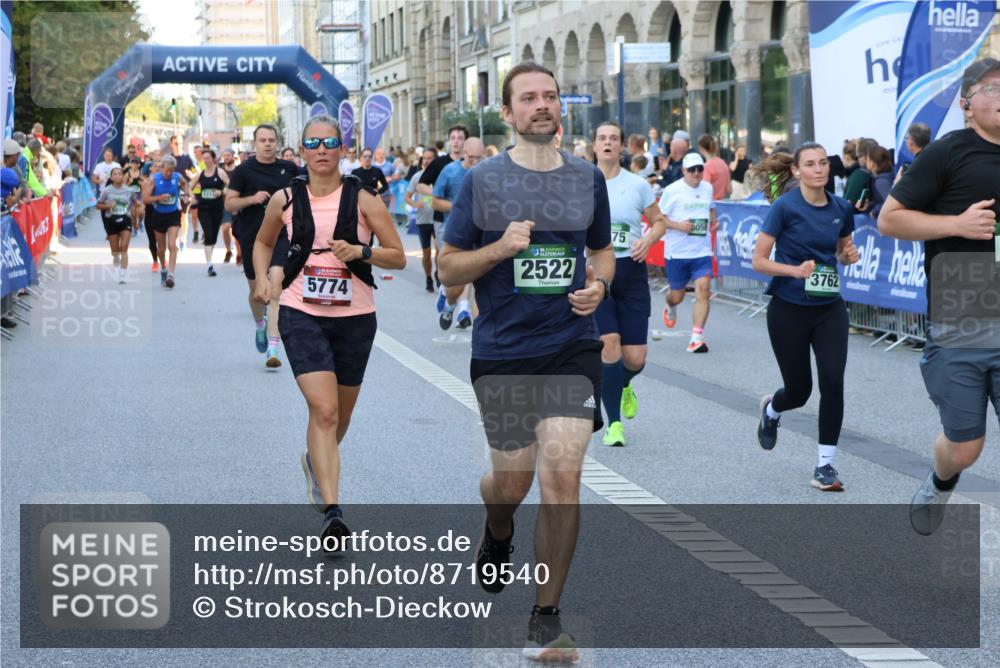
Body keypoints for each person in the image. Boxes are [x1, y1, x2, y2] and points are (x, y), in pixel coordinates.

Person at [438, 62, 613, 662]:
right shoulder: (482, 181)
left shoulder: (589, 178)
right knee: (510, 484)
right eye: (529, 98)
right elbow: (447, 269)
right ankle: (498, 528)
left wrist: (601, 288)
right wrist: (499, 248)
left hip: (572, 346)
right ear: (508, 113)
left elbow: (603, 251)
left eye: (551, 96)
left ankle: (545, 615)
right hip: (504, 353)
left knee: (562, 477)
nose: (543, 105)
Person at [252, 115, 405, 549]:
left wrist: (361, 251)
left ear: (342, 148)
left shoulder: (364, 199)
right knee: (323, 411)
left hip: (356, 318)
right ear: (301, 151)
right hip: (302, 312)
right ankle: (333, 512)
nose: (321, 149)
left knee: (340, 416)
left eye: (329, 142)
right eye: (312, 143)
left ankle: (315, 462)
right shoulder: (284, 199)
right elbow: (263, 243)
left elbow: (397, 257)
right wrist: (263, 278)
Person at [878, 58, 1000, 535]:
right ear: (967, 104)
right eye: (992, 90)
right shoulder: (948, 154)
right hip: (961, 321)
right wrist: (956, 225)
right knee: (965, 448)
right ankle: (940, 480)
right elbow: (889, 219)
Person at [751, 143, 861, 492]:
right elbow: (759, 260)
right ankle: (772, 409)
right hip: (788, 308)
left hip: (829, 308)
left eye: (823, 163)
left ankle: (825, 465)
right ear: (796, 171)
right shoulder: (784, 207)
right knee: (799, 391)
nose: (819, 169)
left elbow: (842, 251)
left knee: (833, 380)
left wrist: (848, 256)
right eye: (810, 164)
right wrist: (794, 271)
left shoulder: (841, 207)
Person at [593, 121, 667, 448]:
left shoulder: (637, 185)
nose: (608, 143)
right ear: (595, 145)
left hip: (632, 271)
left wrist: (649, 239)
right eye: (602, 138)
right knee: (609, 344)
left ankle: (622, 385)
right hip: (597, 272)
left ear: (622, 146)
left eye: (613, 138)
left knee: (635, 358)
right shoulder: (583, 183)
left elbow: (660, 221)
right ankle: (614, 425)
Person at [225, 125, 298, 369]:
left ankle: (273, 347)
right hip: (252, 238)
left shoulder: (289, 169)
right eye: (262, 140)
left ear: (277, 142)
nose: (267, 144)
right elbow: (229, 204)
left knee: (276, 287)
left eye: (271, 140)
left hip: (282, 235)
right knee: (258, 292)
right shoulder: (243, 170)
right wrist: (251, 199)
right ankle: (260, 325)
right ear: (254, 143)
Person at [658, 152, 718, 353]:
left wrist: (714, 221)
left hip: (701, 252)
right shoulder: (672, 190)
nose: (696, 173)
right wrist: (678, 226)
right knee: (677, 295)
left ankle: (696, 337)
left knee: (703, 288)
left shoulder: (708, 188)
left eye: (699, 169)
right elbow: (659, 219)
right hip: (677, 253)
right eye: (692, 169)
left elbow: (711, 209)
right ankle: (670, 305)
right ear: (683, 171)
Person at [431, 138, 485, 329]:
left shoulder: (487, 172)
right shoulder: (450, 171)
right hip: (454, 230)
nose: (476, 162)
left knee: (474, 275)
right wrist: (459, 207)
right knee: (458, 281)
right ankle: (450, 302)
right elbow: (435, 202)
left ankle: (465, 311)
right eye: (472, 158)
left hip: (479, 232)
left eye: (480, 158)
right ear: (464, 153)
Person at [418, 125, 469, 289]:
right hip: (442, 218)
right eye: (453, 138)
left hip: (468, 219)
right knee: (446, 254)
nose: (456, 141)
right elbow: (421, 185)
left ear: (465, 141)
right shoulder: (440, 163)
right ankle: (445, 285)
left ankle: (456, 288)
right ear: (449, 141)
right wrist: (436, 194)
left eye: (460, 138)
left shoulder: (472, 164)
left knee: (465, 255)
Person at [143, 155, 190, 289]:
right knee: (161, 249)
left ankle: (171, 274)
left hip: (173, 214)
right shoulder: (154, 179)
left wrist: (187, 195)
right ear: (161, 168)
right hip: (158, 215)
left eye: (171, 170)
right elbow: (145, 199)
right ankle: (163, 267)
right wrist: (159, 197)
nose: (169, 173)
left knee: (172, 244)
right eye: (166, 170)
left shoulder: (177, 177)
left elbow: (185, 184)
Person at [95, 167, 138, 284]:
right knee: (115, 251)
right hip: (111, 221)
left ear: (123, 176)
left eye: (120, 174)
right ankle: (115, 256)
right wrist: (108, 206)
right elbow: (97, 205)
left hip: (125, 220)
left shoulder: (129, 191)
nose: (118, 176)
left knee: (124, 247)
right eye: (115, 174)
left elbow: (134, 205)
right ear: (111, 177)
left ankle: (123, 275)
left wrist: (136, 222)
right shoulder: (106, 190)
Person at [405, 147, 439, 292]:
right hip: (422, 220)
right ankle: (428, 278)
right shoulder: (417, 177)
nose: (426, 161)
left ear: (435, 160)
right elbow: (407, 197)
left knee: (440, 250)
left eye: (429, 158)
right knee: (426, 253)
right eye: (424, 158)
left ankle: (439, 272)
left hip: (438, 219)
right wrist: (414, 204)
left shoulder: (441, 176)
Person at [193, 149, 229, 277]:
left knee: (213, 237)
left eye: (208, 158)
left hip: (217, 208)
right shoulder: (200, 174)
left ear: (213, 159)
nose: (206, 160)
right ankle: (209, 265)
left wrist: (222, 192)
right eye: (204, 158)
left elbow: (230, 186)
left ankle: (210, 256)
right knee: (208, 234)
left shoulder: (220, 172)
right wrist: (194, 196)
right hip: (203, 208)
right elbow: (190, 187)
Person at [140, 159, 161, 272]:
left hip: (163, 212)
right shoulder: (145, 182)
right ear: (150, 169)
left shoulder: (165, 180)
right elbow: (144, 199)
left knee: (162, 239)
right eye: (155, 166)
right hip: (150, 212)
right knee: (152, 239)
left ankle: (162, 257)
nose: (158, 168)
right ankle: (155, 261)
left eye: (160, 166)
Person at [698, 134, 731, 200]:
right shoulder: (723, 163)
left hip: (710, 205)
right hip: (722, 204)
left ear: (701, 148)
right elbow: (729, 190)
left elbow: (705, 191)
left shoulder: (706, 167)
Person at [220, 148, 239, 263]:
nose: (226, 157)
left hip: (238, 203)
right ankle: (228, 250)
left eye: (228, 155)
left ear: (233, 157)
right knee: (226, 227)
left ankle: (239, 253)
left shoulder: (239, 171)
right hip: (224, 204)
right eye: (224, 155)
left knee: (237, 230)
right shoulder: (220, 171)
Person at [866, 145, 894, 220]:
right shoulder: (890, 175)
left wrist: (875, 211)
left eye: (868, 160)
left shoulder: (881, 182)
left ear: (872, 164)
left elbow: (891, 203)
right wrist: (869, 205)